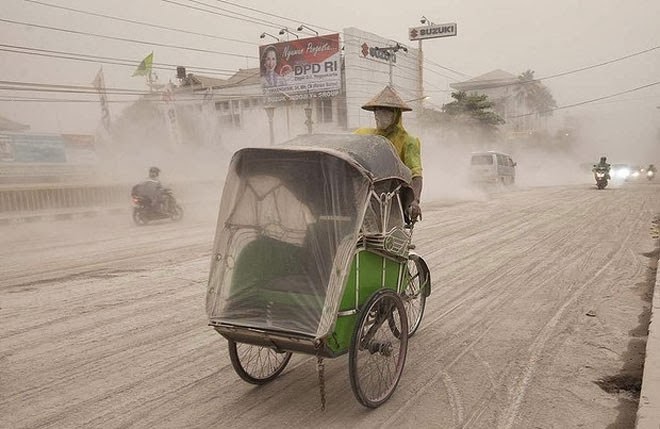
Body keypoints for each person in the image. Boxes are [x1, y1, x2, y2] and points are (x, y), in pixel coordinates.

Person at [354, 85, 423, 221]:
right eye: (376, 111)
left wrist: (415, 201)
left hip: (391, 198)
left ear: (395, 114)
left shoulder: (408, 141)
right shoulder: (363, 134)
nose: (378, 115)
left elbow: (416, 175)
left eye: (384, 111)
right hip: (364, 193)